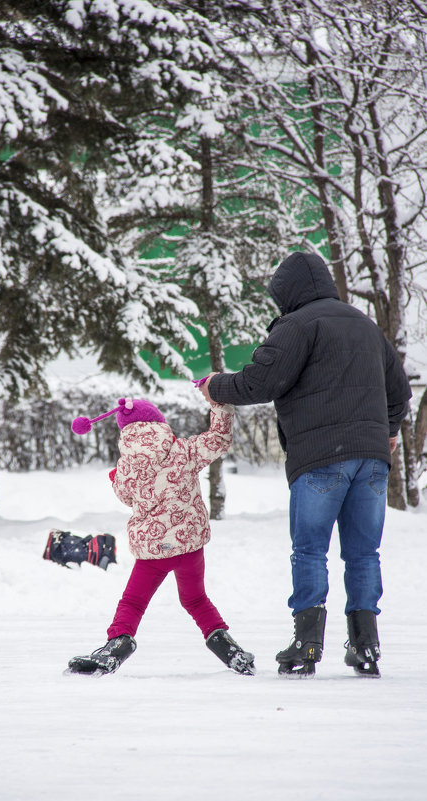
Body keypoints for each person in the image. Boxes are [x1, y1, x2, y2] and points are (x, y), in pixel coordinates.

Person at [198, 251, 411, 678]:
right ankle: (366, 646)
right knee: (364, 553)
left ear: (289, 293)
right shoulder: (365, 324)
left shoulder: (297, 325)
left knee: (310, 550)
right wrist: (387, 430)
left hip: (320, 459)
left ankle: (307, 644)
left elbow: (261, 381)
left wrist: (213, 386)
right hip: (371, 460)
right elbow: (400, 391)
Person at [66, 396, 255, 676]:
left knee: (133, 602)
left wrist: (115, 477)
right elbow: (219, 439)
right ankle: (227, 647)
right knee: (195, 599)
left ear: (126, 431)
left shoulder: (127, 465)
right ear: (158, 422)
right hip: (189, 547)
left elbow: (126, 497)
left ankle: (117, 644)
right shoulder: (185, 450)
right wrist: (219, 404)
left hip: (153, 552)